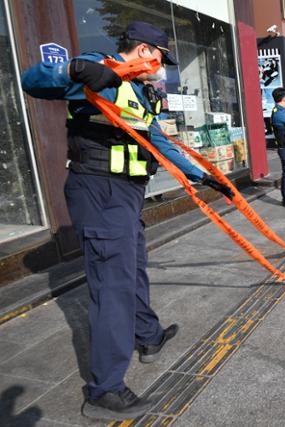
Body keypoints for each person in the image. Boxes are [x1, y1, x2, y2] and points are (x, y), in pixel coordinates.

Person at [20, 21, 234, 420]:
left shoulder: (138, 92)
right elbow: (32, 81)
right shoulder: (97, 70)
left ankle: (148, 336)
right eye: (161, 58)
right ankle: (104, 391)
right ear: (143, 52)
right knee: (113, 287)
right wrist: (70, 71)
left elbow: (157, 139)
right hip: (99, 190)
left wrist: (201, 174)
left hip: (127, 195)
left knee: (134, 268)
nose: (163, 67)